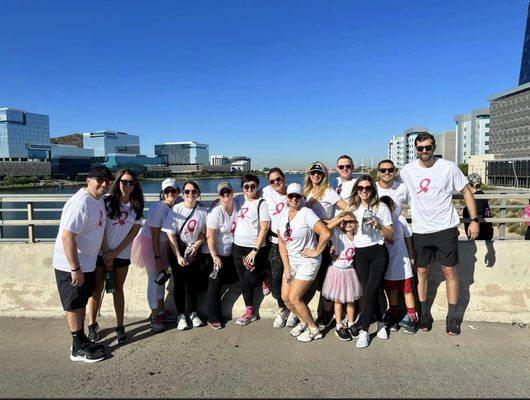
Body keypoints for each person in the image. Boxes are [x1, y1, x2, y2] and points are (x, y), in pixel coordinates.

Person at [399, 132, 479, 336]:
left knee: (450, 271)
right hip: (420, 230)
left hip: (445, 229)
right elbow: (392, 189)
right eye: (420, 148)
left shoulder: (449, 167)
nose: (424, 151)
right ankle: (424, 313)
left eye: (428, 147)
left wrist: (474, 220)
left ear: (434, 147)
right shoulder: (407, 170)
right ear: (415, 150)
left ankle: (452, 317)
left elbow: (467, 191)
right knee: (422, 272)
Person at [53, 165, 113, 363]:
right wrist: (74, 268)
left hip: (87, 263)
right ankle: (77, 349)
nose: (104, 184)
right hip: (71, 265)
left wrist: (105, 253)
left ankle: (81, 341)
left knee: (80, 302)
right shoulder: (81, 203)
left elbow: (100, 230)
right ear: (89, 180)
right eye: (100, 180)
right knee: (74, 305)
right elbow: (67, 237)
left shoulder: (98, 201)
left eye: (108, 180)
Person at [87, 169, 144, 344]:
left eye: (131, 182)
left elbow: (133, 234)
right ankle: (92, 325)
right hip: (100, 253)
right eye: (124, 181)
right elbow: (100, 228)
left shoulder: (136, 207)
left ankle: (120, 326)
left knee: (118, 290)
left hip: (121, 255)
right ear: (117, 182)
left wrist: (115, 253)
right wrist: (106, 253)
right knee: (96, 291)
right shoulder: (106, 203)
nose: (127, 185)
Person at [278, 183, 331, 342]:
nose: (294, 199)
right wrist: (286, 267)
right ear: (287, 198)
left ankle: (314, 329)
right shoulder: (283, 214)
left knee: (295, 298)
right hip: (292, 262)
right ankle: (303, 322)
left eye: (297, 196)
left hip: (308, 262)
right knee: (285, 298)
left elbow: (326, 233)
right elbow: (281, 243)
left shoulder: (306, 213)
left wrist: (316, 251)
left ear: (302, 198)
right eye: (291, 196)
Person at [348, 175, 394, 348]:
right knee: (372, 290)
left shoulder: (381, 207)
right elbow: (346, 230)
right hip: (360, 252)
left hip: (378, 251)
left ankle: (364, 330)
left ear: (373, 190)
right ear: (356, 190)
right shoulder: (352, 207)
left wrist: (380, 226)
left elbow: (391, 235)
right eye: (360, 188)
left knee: (371, 290)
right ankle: (382, 322)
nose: (364, 191)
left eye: (368, 188)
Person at [130, 178, 180, 332]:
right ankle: (154, 315)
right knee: (154, 278)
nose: (170, 193)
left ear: (178, 191)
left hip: (165, 244)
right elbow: (154, 236)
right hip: (152, 244)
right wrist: (158, 258)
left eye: (173, 190)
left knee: (162, 278)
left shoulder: (177, 206)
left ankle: (161, 309)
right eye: (167, 191)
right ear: (162, 193)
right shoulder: (158, 209)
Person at [303, 161, 349, 328]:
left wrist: (331, 222)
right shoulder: (306, 191)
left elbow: (348, 208)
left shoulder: (329, 192)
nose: (316, 175)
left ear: (324, 176)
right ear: (309, 174)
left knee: (325, 281)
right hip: (308, 240)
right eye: (313, 173)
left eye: (319, 173)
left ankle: (325, 315)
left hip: (323, 240)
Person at [162, 180, 208, 331]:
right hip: (178, 248)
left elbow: (203, 232)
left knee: (193, 283)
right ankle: (181, 315)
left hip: (193, 249)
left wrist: (196, 246)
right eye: (187, 191)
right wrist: (178, 256)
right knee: (179, 284)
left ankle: (193, 313)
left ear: (198, 194)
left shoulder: (202, 211)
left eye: (193, 191)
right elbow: (171, 235)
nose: (190, 194)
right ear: (182, 193)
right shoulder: (176, 209)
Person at [232, 173, 271, 326]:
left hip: (253, 248)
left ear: (257, 187)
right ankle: (250, 310)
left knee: (249, 279)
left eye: (253, 186)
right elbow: (225, 201)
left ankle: (263, 276)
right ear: (242, 188)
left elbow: (265, 227)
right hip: (237, 247)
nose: (249, 189)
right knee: (243, 279)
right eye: (246, 186)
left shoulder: (261, 203)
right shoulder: (239, 200)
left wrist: (255, 250)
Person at [261, 167, 296, 329]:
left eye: (278, 179)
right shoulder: (267, 191)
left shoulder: (293, 193)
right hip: (275, 242)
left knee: (294, 276)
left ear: (284, 178)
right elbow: (249, 195)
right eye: (272, 181)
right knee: (276, 277)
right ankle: (282, 308)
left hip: (293, 242)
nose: (276, 183)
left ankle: (295, 310)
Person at [379, 196, 418, 334]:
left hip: (403, 265)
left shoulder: (400, 220)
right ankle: (394, 317)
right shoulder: (377, 223)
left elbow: (408, 239)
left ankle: (412, 318)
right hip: (388, 266)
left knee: (407, 291)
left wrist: (412, 257)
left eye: (388, 207)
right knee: (392, 292)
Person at [322, 211, 363, 341]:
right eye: (345, 222)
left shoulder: (359, 237)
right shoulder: (338, 235)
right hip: (337, 271)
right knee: (338, 300)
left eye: (351, 221)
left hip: (350, 271)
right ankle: (339, 325)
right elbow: (326, 228)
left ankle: (351, 323)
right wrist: (340, 219)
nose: (348, 224)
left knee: (351, 300)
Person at [203, 182, 239, 329]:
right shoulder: (216, 212)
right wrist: (215, 257)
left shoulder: (237, 203)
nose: (226, 195)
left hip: (232, 251)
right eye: (222, 193)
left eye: (228, 191)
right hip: (216, 253)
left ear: (232, 192)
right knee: (214, 284)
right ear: (219, 196)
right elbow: (209, 236)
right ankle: (213, 317)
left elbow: (249, 195)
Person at [463, 173, 493, 240]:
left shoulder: (477, 198)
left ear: (469, 184)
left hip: (480, 234)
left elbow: (478, 215)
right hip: (485, 232)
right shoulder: (481, 194)